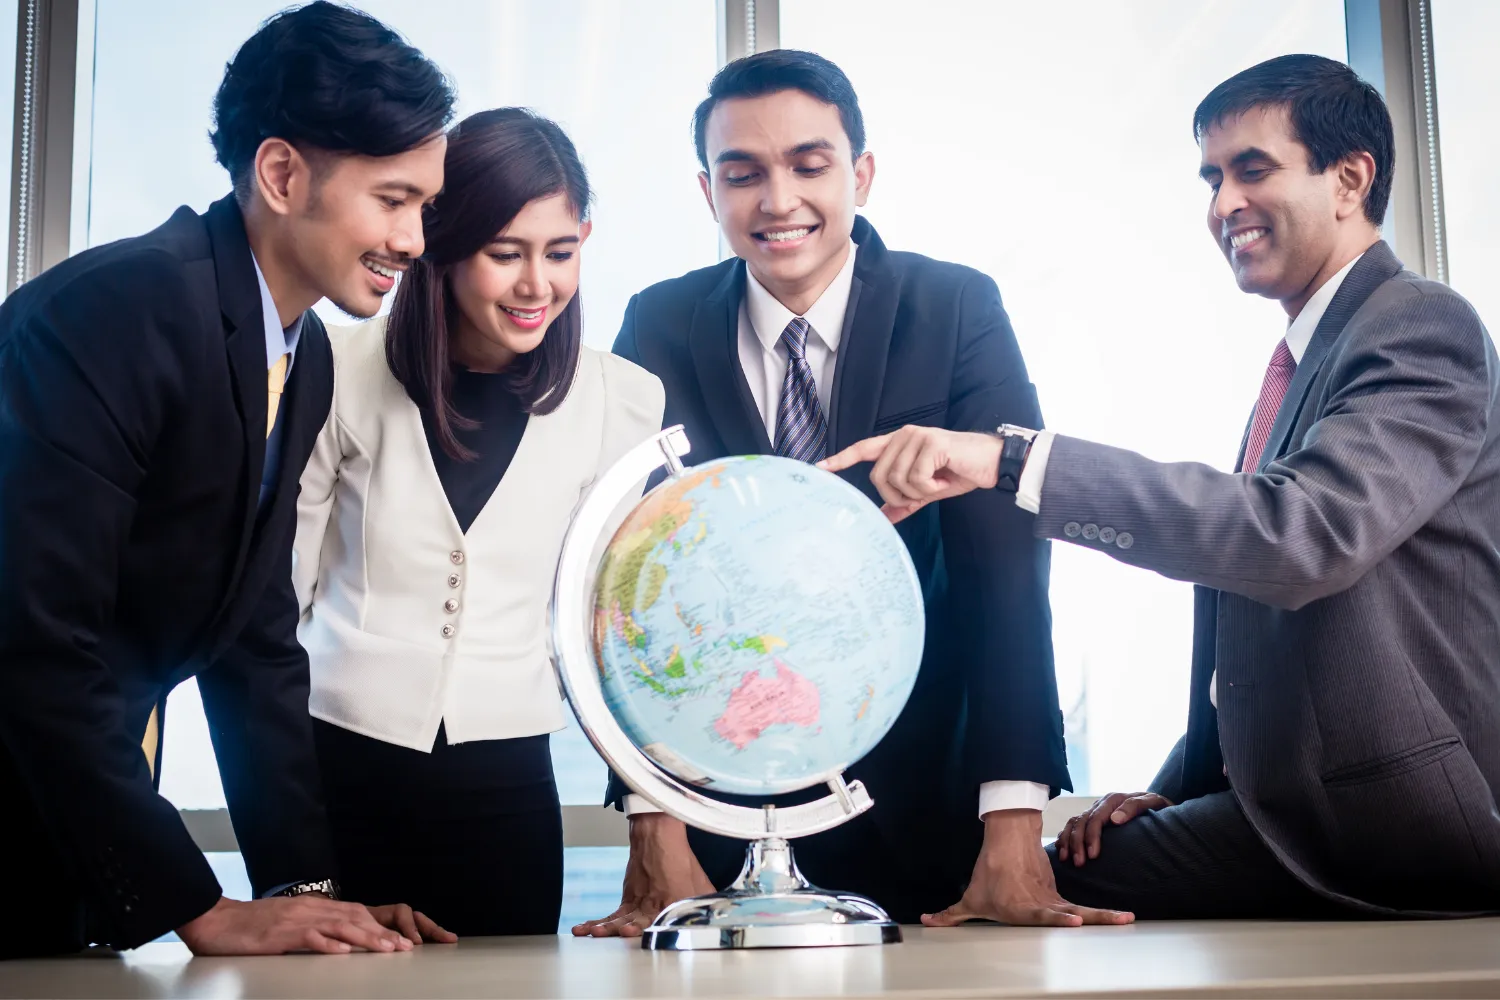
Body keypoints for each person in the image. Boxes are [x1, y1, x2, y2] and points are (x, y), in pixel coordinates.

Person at [822, 54, 1500, 918]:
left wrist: (1013, 459)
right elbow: (1258, 646)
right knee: (1007, 875)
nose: (1222, 205)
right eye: (1212, 178)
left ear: (1350, 179)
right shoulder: (1304, 362)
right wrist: (1172, 789)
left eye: (1252, 170)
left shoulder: (1419, 325)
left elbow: (1295, 540)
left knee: (993, 883)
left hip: (1392, 824)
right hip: (1288, 807)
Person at [577, 49, 1129, 936]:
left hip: (926, 810)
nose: (778, 198)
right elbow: (626, 581)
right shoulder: (660, 322)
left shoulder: (954, 309)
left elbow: (1006, 567)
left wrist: (1014, 827)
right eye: (743, 173)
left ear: (860, 174)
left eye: (809, 164)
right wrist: (654, 824)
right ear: (707, 191)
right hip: (721, 822)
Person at [0, 3, 458, 959]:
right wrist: (199, 906)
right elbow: (37, 642)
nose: (416, 240)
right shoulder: (117, 312)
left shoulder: (307, 353)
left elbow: (253, 636)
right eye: (393, 199)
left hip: (81, 823)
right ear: (282, 174)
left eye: (425, 205)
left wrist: (310, 892)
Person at [292, 108, 665, 937]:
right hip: (335, 771)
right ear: (444, 244)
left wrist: (652, 809)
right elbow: (276, 608)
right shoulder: (337, 367)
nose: (538, 284)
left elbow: (624, 638)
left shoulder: (622, 401)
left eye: (560, 252)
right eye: (506, 253)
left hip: (509, 788)